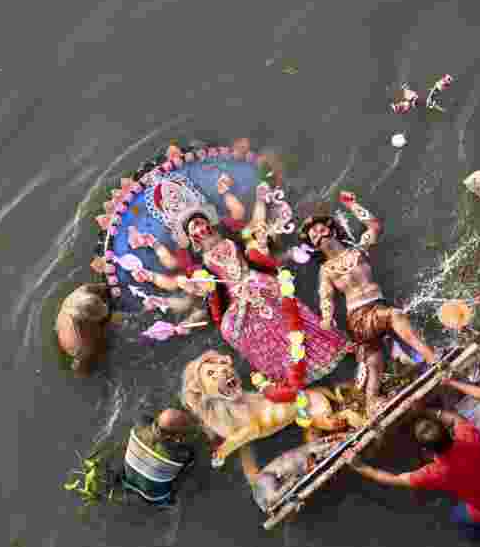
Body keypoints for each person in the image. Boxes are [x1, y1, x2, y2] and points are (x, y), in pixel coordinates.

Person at [133, 174, 350, 397]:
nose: (199, 229)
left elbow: (253, 232)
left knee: (286, 309)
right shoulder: (198, 263)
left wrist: (257, 209)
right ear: (191, 238)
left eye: (200, 223)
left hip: (258, 281)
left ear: (208, 222)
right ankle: (285, 374)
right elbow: (196, 284)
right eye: (193, 230)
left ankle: (326, 353)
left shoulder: (232, 236)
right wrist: (189, 280)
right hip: (236, 297)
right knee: (230, 330)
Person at [301, 191, 438, 413]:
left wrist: (353, 204)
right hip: (359, 317)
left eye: (319, 227)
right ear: (315, 245)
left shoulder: (358, 250)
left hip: (377, 307)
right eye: (312, 233)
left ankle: (372, 401)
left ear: (331, 230)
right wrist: (326, 318)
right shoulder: (326, 270)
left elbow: (374, 226)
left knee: (374, 364)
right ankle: (433, 359)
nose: (317, 232)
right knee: (395, 316)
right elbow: (325, 296)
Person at [349, 404, 480, 547]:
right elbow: (454, 419)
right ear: (448, 433)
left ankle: (476, 541)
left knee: (458, 517)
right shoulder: (468, 437)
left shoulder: (435, 473)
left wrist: (360, 467)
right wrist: (425, 411)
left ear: (426, 451)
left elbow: (395, 479)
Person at [120, 409, 197, 507]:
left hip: (126, 482)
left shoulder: (139, 424)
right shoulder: (183, 454)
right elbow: (185, 470)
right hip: (154, 499)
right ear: (176, 435)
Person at [55, 283, 112, 374]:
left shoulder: (83, 291)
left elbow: (104, 287)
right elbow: (80, 366)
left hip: (79, 318)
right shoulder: (81, 345)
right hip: (78, 349)